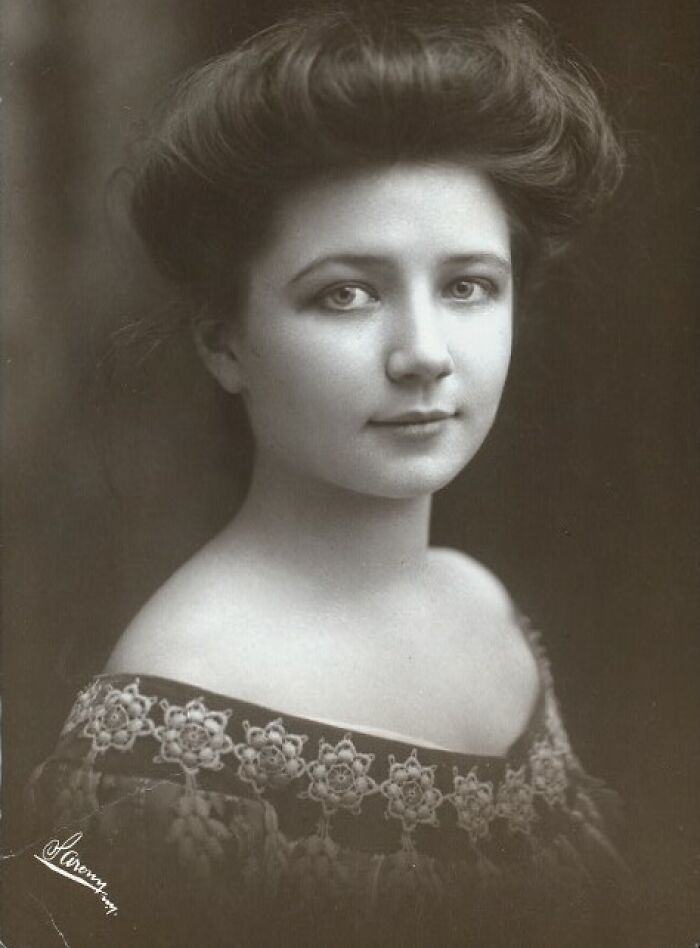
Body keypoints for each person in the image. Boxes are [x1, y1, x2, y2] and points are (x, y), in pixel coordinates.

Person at [23, 3, 632, 945]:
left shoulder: (482, 605)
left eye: (467, 286)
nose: (424, 354)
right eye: (346, 294)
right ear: (225, 342)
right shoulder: (165, 725)